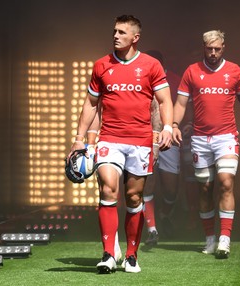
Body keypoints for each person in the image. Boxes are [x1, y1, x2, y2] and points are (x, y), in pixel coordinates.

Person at [68, 15, 173, 273]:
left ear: (135, 38)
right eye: (114, 31)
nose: (115, 36)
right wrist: (78, 140)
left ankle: (131, 256)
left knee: (134, 197)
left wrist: (168, 128)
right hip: (110, 139)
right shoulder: (101, 65)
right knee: (108, 190)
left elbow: (164, 101)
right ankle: (107, 254)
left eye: (122, 32)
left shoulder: (151, 65)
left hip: (140, 142)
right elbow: (91, 104)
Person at [172, 30, 240, 259]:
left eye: (217, 49)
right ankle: (210, 238)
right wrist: (173, 125)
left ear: (224, 47)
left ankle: (224, 239)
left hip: (226, 138)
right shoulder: (192, 71)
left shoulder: (235, 71)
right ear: (204, 48)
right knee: (204, 188)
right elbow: (180, 103)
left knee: (226, 182)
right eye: (209, 49)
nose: (213, 53)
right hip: (200, 140)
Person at [142, 50, 182, 244]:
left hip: (167, 138)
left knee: (170, 188)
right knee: (147, 183)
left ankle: (165, 214)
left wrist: (175, 126)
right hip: (144, 138)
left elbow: (182, 105)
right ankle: (152, 229)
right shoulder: (140, 78)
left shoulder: (174, 80)